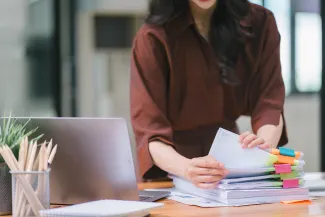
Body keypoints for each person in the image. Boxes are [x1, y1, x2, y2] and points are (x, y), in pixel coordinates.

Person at [130, 0, 288, 189]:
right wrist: (187, 168)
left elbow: (270, 101)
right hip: (171, 171)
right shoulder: (152, 36)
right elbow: (149, 131)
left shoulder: (260, 23)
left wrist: (263, 147)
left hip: (231, 167)